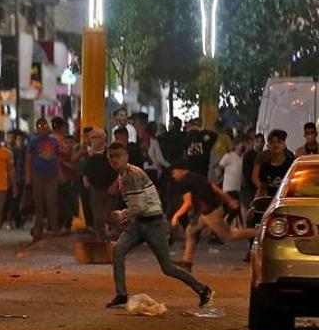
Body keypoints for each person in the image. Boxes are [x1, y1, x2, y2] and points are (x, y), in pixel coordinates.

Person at [107, 143, 214, 309]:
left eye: (118, 155)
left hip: (153, 223)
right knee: (118, 250)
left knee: (168, 268)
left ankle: (202, 289)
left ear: (126, 156)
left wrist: (121, 215)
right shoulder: (123, 175)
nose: (114, 159)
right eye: (111, 156)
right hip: (140, 222)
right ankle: (121, 294)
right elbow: (138, 207)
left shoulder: (131, 175)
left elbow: (139, 207)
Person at [170, 161, 256, 273]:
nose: (173, 176)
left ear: (180, 170)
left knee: (229, 236)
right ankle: (187, 262)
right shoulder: (197, 176)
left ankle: (259, 232)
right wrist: (229, 200)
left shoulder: (184, 182)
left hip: (211, 213)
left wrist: (175, 216)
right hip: (211, 210)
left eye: (174, 173)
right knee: (191, 231)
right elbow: (214, 187)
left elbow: (188, 203)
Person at [26, 117, 60, 240]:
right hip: (37, 176)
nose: (42, 128)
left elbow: (57, 157)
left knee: (52, 203)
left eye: (44, 125)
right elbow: (28, 158)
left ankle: (54, 228)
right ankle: (38, 228)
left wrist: (59, 174)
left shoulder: (54, 141)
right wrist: (28, 176)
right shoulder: (33, 141)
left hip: (51, 176)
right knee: (39, 204)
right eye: (39, 126)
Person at [81, 129, 117, 241]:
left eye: (98, 138)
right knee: (97, 217)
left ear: (104, 139)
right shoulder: (89, 155)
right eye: (93, 138)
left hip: (110, 189)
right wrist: (85, 179)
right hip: (96, 189)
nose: (95, 141)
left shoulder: (111, 153)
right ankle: (101, 239)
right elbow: (85, 170)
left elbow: (120, 171)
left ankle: (115, 235)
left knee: (109, 215)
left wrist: (115, 186)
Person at [252, 129, 294, 198]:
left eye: (279, 142)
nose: (276, 145)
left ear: (284, 145)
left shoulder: (291, 165)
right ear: (268, 146)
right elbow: (262, 189)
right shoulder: (265, 167)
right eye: (273, 142)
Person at [215, 138, 244, 226]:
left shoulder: (242, 158)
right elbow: (219, 167)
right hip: (229, 187)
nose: (242, 146)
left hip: (237, 188)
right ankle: (221, 227)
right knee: (234, 208)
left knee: (231, 209)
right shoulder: (229, 156)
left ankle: (222, 227)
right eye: (240, 144)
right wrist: (219, 176)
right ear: (235, 146)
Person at [6, 130, 28, 228]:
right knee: (14, 201)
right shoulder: (13, 152)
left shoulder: (27, 151)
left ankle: (19, 219)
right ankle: (13, 220)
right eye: (19, 139)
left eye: (22, 140)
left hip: (24, 178)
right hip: (15, 179)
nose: (21, 142)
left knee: (23, 201)